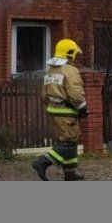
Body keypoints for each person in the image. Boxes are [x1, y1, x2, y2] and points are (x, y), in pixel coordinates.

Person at [31, 39, 88, 181]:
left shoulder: (50, 70)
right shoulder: (70, 70)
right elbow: (75, 92)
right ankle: (42, 162)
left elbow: (44, 94)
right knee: (68, 142)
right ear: (70, 53)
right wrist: (82, 107)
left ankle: (70, 172)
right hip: (67, 112)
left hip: (54, 111)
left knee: (69, 141)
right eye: (75, 53)